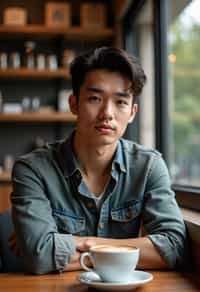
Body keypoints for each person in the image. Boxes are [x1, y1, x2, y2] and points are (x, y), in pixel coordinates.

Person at [11, 47, 188, 274]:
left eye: (120, 102)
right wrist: (130, 251)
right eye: (95, 98)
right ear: (73, 104)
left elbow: (173, 247)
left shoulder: (148, 166)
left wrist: (87, 244)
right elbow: (39, 257)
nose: (107, 113)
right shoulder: (33, 170)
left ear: (132, 112)